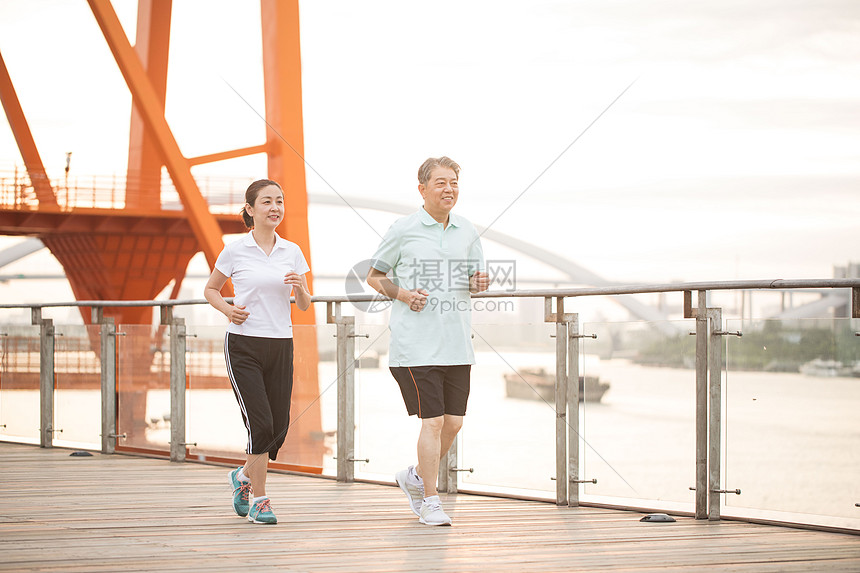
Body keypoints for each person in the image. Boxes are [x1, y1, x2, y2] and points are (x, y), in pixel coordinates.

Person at [366, 156, 489, 526]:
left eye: (453, 182)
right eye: (440, 182)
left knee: (453, 423)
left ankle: (416, 476)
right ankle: (430, 500)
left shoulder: (468, 230)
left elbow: (474, 279)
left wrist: (479, 284)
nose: (449, 189)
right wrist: (403, 295)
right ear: (422, 189)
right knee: (432, 422)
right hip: (414, 346)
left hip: (456, 344)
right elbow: (374, 276)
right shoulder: (403, 229)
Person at [204, 178, 311, 525]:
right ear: (250, 210)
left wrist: (301, 288)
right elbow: (211, 289)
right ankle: (261, 501)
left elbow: (305, 306)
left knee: (277, 426)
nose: (275, 208)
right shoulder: (235, 250)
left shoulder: (291, 250)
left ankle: (244, 477)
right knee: (260, 423)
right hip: (244, 344)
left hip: (281, 343)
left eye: (279, 201)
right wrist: (227, 309)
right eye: (266, 202)